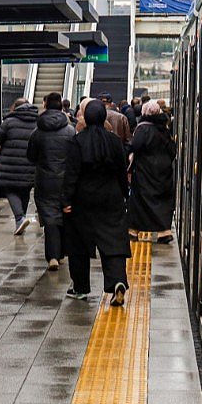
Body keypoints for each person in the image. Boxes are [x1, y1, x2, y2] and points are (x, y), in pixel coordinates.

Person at [63, 100, 132, 306]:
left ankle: (80, 287)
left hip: (82, 199)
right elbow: (122, 171)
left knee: (78, 244)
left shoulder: (77, 142)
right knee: (113, 241)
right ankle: (117, 281)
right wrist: (125, 193)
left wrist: (66, 199)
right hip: (111, 197)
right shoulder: (114, 141)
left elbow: (71, 174)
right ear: (103, 117)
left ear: (85, 117)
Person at [27, 92, 75, 271]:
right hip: (65, 179)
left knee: (49, 217)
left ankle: (52, 256)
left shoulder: (37, 132)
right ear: (61, 107)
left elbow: (31, 156)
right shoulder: (70, 131)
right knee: (64, 213)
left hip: (44, 180)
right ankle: (61, 252)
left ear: (45, 106)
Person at [128, 101, 177, 243]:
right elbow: (172, 149)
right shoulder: (164, 128)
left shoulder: (142, 128)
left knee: (139, 201)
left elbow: (135, 146)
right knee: (162, 200)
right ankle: (164, 232)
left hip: (144, 171)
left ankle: (134, 230)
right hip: (164, 170)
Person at [0, 98, 40, 235]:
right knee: (25, 190)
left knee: (10, 190)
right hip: (30, 164)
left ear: (15, 107)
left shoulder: (9, 122)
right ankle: (21, 219)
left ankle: (19, 218)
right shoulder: (37, 122)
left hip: (9, 164)